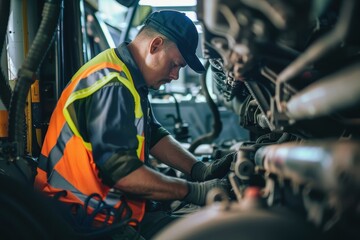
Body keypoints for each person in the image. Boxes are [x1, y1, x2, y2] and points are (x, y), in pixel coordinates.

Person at [35, 10, 233, 239]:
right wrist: (194, 191)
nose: (175, 75)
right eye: (175, 65)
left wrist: (199, 169)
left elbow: (153, 133)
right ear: (155, 45)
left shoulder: (126, 75)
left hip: (104, 210)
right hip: (81, 217)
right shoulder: (112, 85)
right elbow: (123, 174)